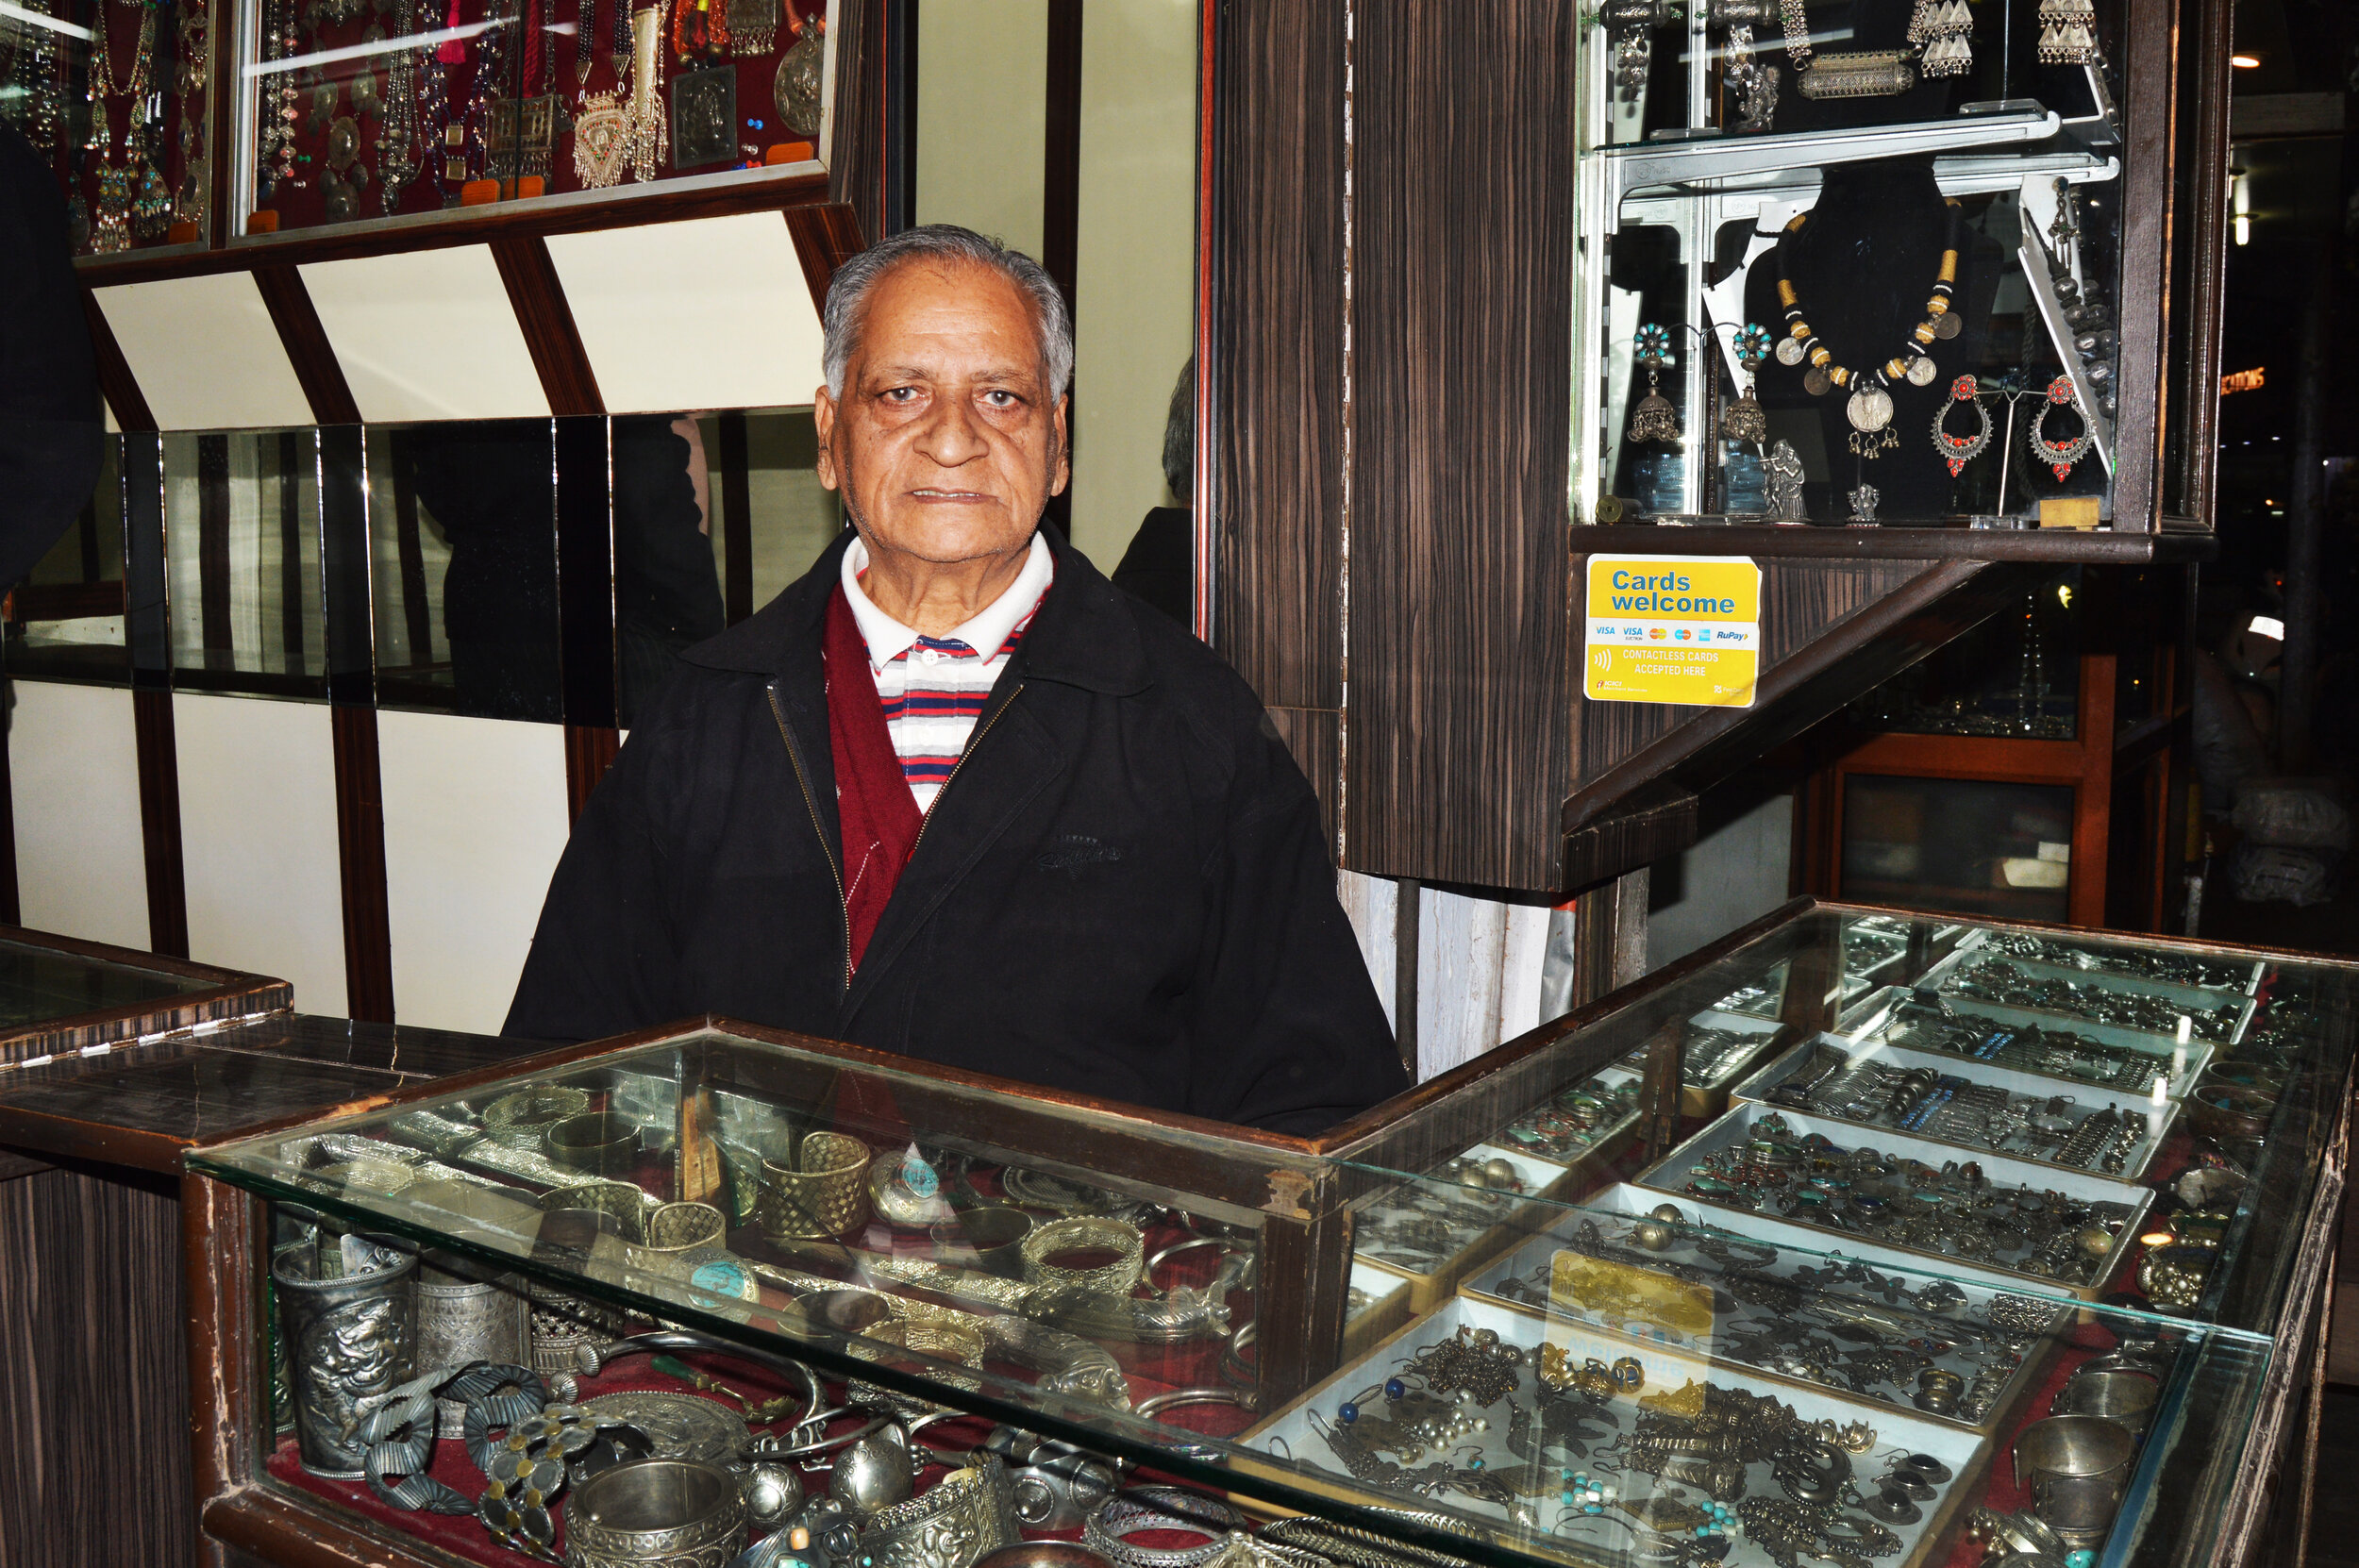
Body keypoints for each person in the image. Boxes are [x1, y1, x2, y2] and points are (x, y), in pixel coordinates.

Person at [505, 225, 1406, 1134]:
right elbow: (564, 1075)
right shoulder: (704, 718)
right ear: (829, 435)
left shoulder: (1192, 728)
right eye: (901, 393)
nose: (951, 439)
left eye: (1002, 396)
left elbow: (1318, 1107)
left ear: (1057, 444)